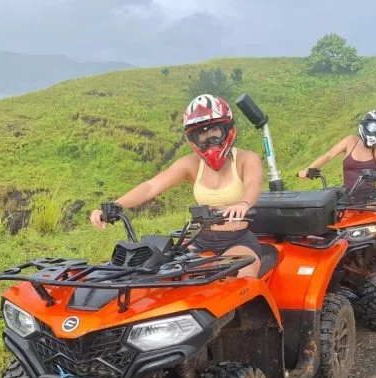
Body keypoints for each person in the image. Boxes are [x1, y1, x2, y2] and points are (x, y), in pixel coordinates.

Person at [90, 94, 264, 277]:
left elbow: (254, 184)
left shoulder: (246, 158)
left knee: (239, 277)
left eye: (214, 130)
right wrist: (116, 205)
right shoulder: (191, 164)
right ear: (194, 138)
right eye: (202, 133)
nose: (209, 138)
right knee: (168, 276)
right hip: (200, 239)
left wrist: (243, 203)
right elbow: (151, 186)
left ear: (226, 129)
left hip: (238, 239)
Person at [298, 109, 376, 191]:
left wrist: (373, 174)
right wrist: (307, 170)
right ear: (366, 124)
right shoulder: (350, 141)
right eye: (373, 128)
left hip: (369, 198)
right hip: (347, 197)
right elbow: (328, 156)